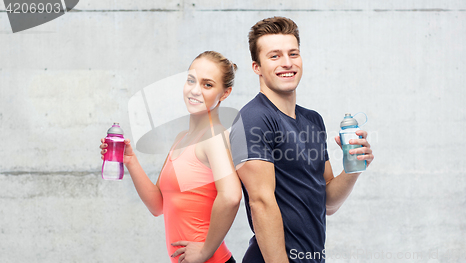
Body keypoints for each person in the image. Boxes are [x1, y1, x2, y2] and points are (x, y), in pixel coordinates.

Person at [229, 17, 375, 263]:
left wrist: (353, 168)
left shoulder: (313, 121)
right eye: (274, 56)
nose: (287, 63)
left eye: (293, 54)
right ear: (257, 67)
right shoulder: (254, 118)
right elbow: (261, 203)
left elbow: (327, 203)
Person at [100, 51, 241, 263]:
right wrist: (130, 160)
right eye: (191, 80)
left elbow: (231, 197)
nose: (195, 90)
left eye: (207, 85)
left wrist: (204, 251)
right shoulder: (182, 138)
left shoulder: (213, 136)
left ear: (225, 93)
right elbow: (158, 205)